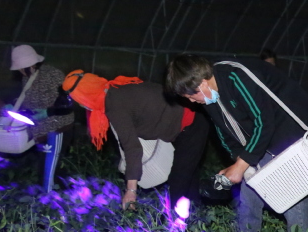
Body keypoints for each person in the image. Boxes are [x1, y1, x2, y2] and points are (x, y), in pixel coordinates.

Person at [164, 54, 308, 232]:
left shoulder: (236, 77)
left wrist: (241, 165)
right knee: (248, 194)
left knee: (291, 194)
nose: (191, 101)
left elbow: (264, 122)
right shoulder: (208, 97)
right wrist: (238, 160)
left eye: (191, 96)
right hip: (263, 133)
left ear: (202, 83)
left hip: (289, 124)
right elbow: (224, 131)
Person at [63, 70, 209, 210]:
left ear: (86, 96)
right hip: (188, 118)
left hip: (191, 121)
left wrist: (131, 191)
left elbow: (132, 148)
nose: (81, 105)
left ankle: (176, 220)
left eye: (78, 100)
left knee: (179, 177)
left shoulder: (114, 105)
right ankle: (196, 212)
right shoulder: (116, 89)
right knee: (189, 172)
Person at [9, 45, 75, 192]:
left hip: (57, 128)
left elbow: (67, 103)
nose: (20, 71)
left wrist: (48, 112)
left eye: (21, 68)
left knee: (49, 171)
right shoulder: (27, 78)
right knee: (43, 168)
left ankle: (51, 198)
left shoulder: (53, 75)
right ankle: (60, 193)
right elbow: (28, 100)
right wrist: (14, 105)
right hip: (40, 130)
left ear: (30, 64)